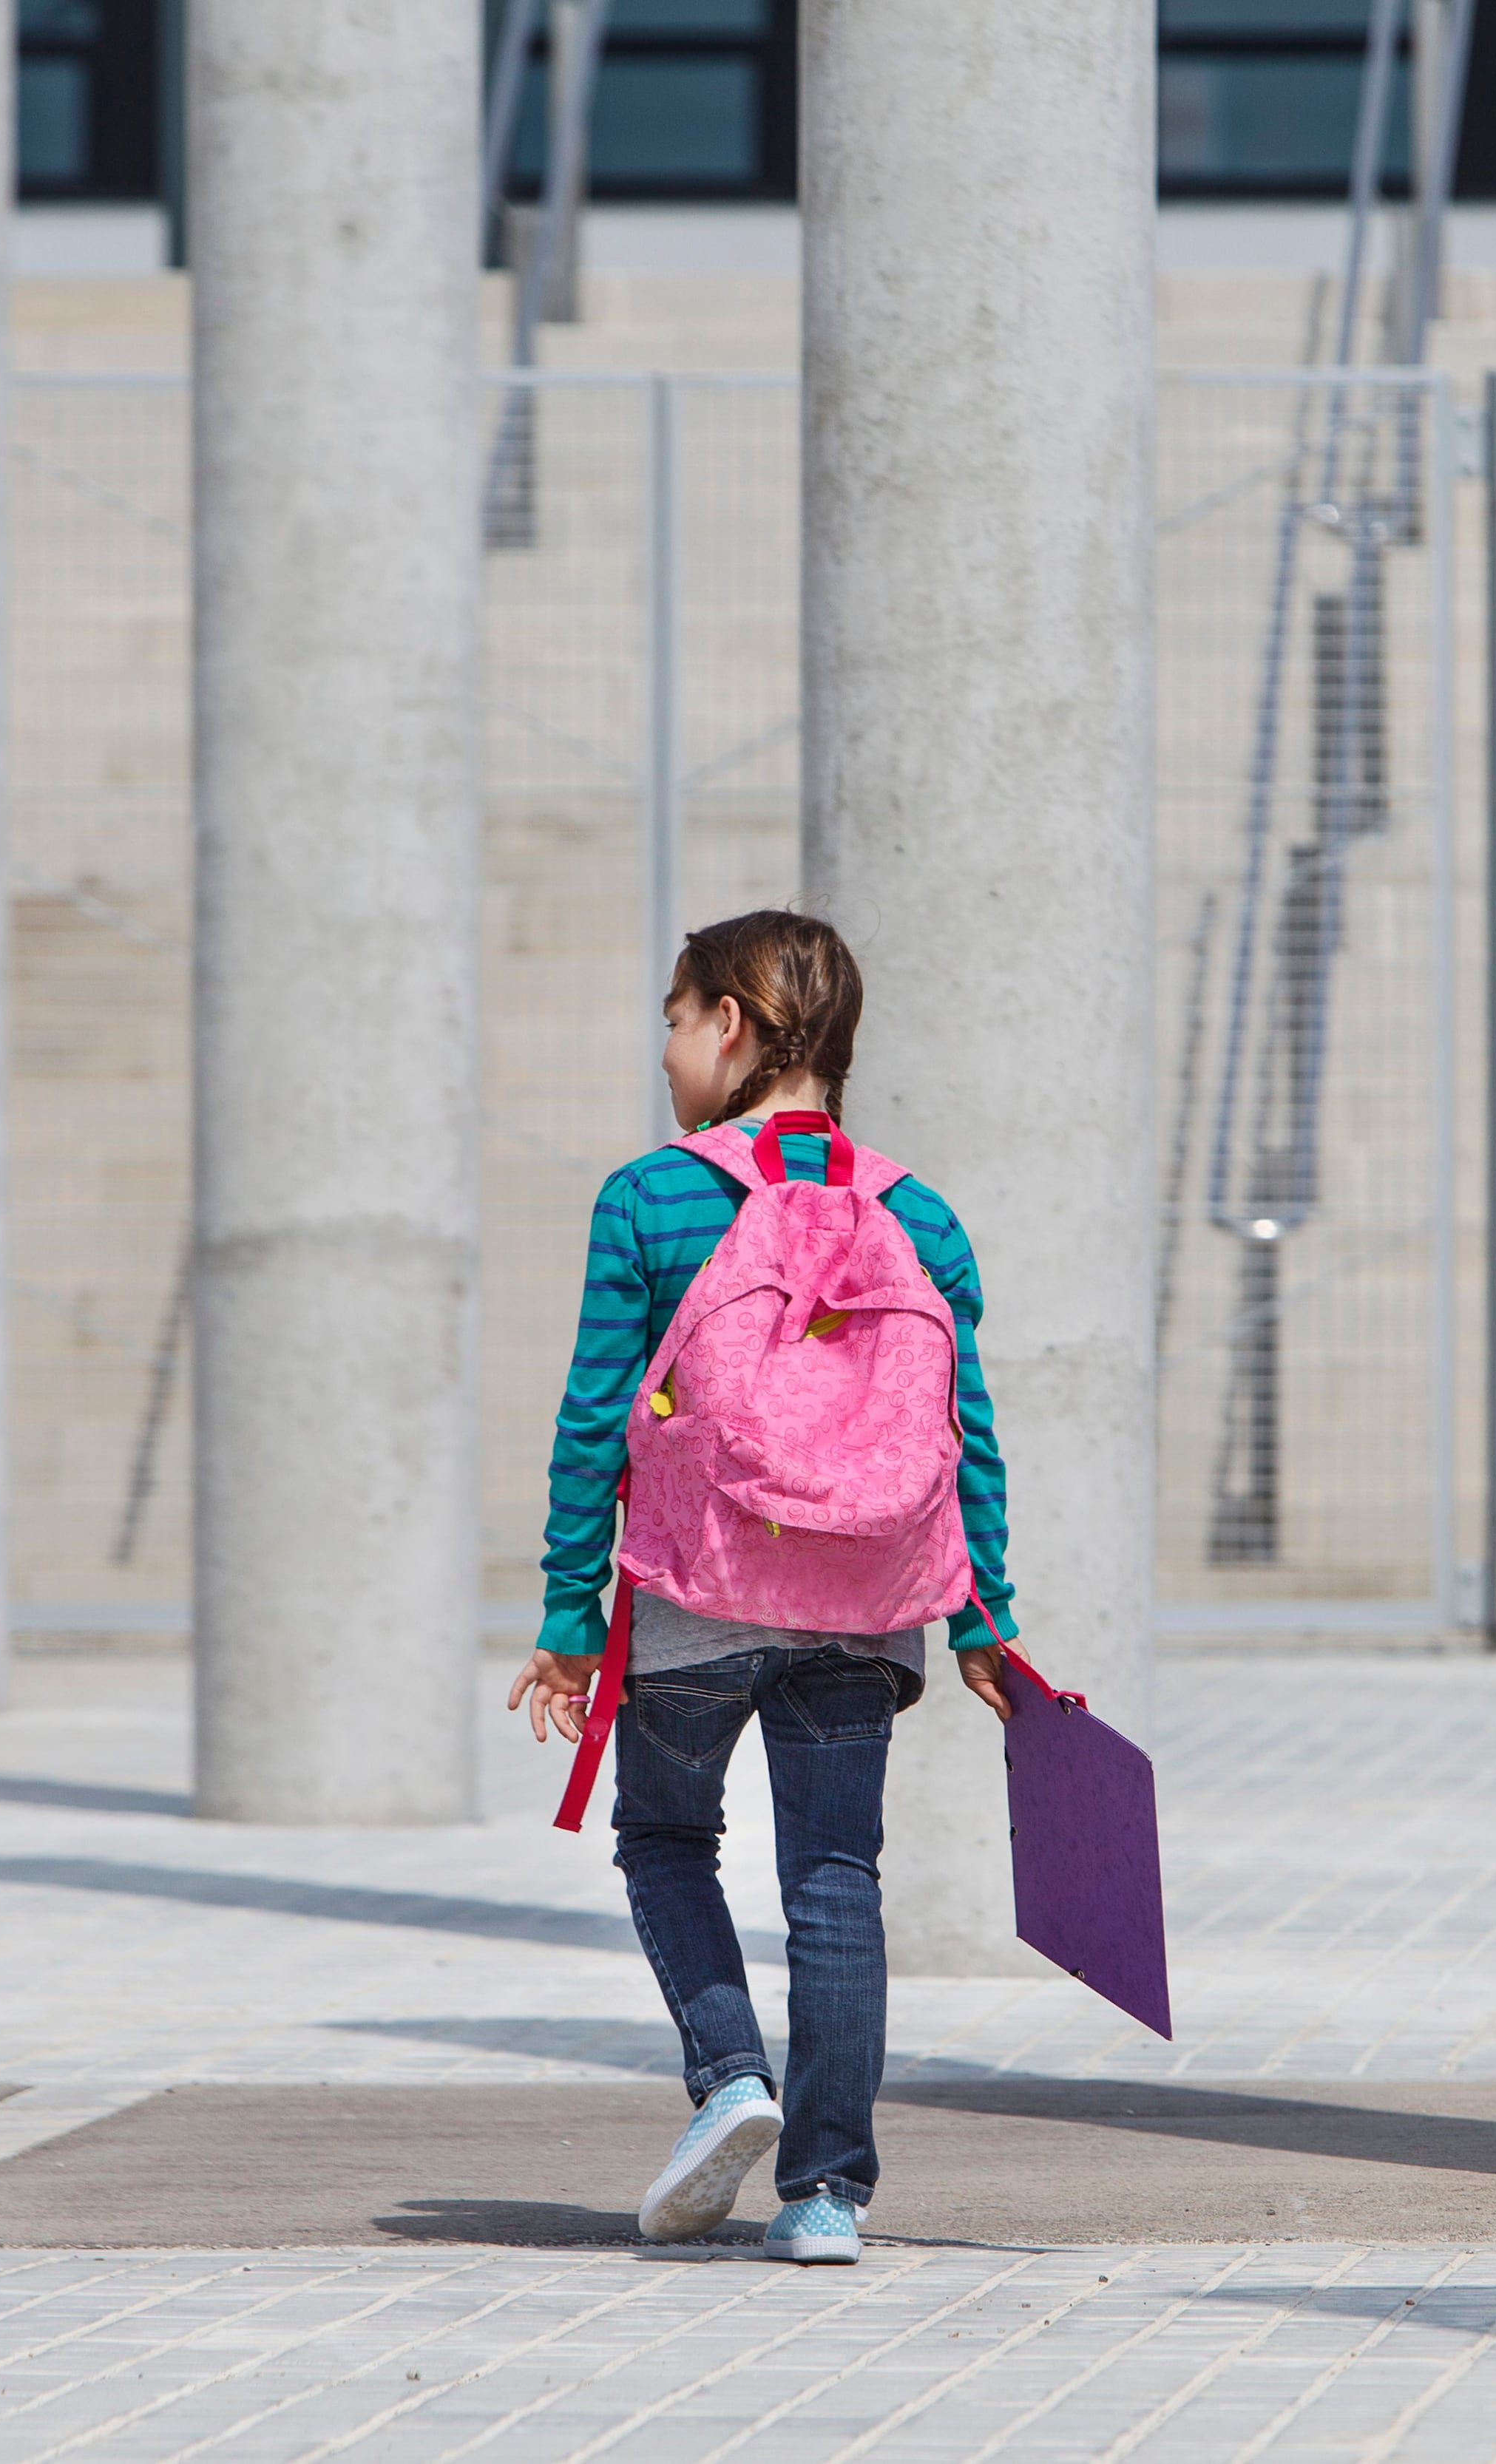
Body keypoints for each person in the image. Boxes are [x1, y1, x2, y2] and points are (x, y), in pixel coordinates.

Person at [509, 908, 1020, 2267]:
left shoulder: (653, 1197)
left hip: (699, 1588)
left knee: (667, 1842)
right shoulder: (920, 1213)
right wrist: (984, 1617)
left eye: (675, 1020)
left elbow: (591, 1421)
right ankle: (828, 2197)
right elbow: (964, 1426)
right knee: (836, 1876)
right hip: (870, 1601)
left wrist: (570, 1620)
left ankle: (731, 2075)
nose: (668, 1050)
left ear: (729, 1023)